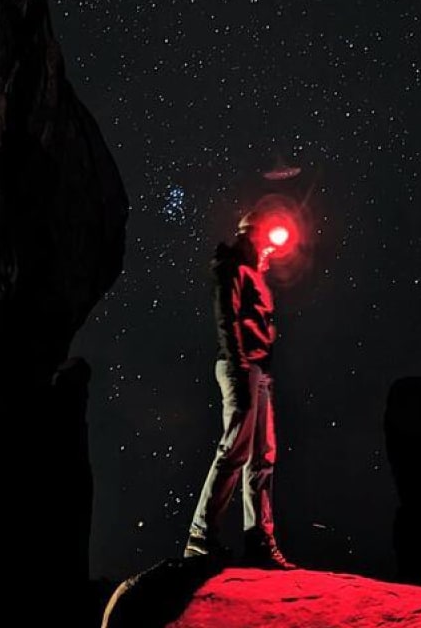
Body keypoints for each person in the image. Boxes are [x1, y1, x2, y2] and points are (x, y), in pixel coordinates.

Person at [183, 207, 296, 570]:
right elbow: (227, 319)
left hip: (257, 370)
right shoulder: (231, 265)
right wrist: (240, 365)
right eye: (267, 239)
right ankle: (200, 538)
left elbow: (256, 322)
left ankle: (259, 540)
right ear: (254, 234)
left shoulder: (256, 273)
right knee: (235, 450)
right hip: (241, 366)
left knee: (263, 456)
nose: (270, 248)